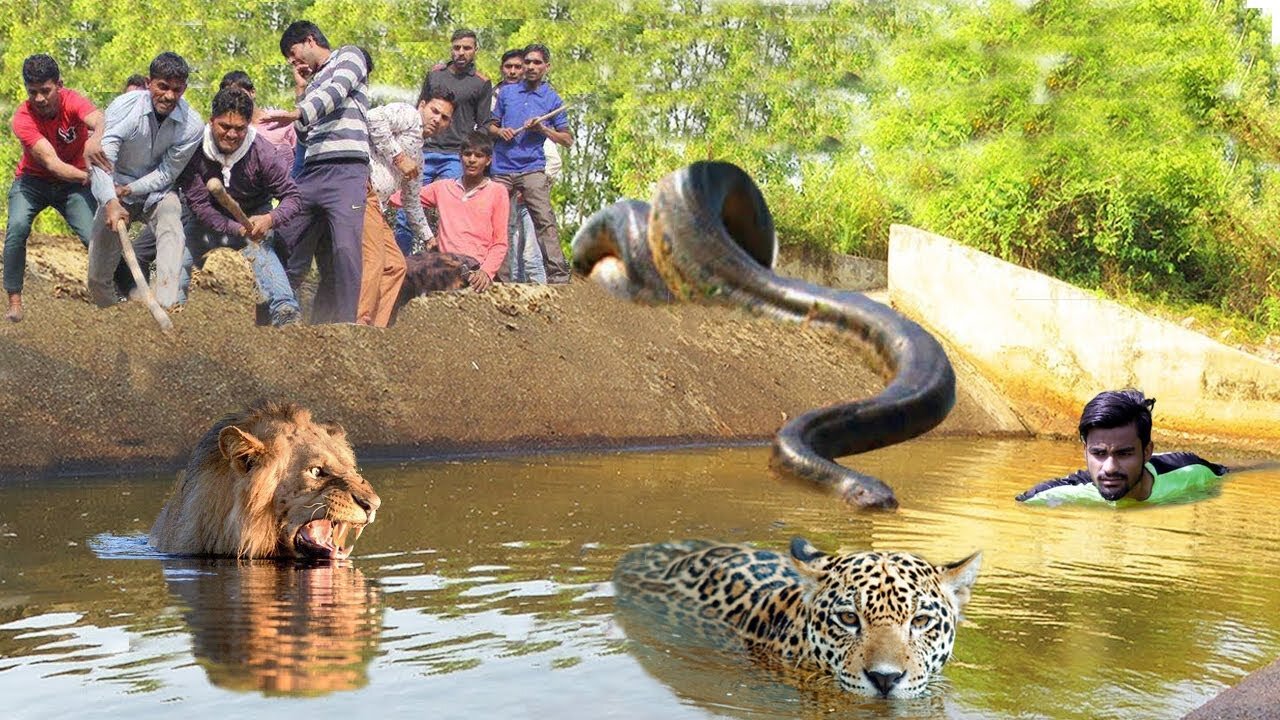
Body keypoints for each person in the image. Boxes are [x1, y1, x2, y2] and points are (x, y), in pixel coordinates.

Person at [261, 21, 370, 324]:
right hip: (311, 172)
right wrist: (301, 92)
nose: (294, 63)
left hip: (347, 171)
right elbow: (304, 133)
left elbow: (336, 91)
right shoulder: (312, 85)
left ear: (310, 40)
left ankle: (347, 326)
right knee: (281, 237)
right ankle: (272, 316)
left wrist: (300, 109)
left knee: (346, 250)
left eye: (294, 55)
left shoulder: (349, 56)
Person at [84, 51, 202, 310]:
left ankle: (167, 304)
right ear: (149, 83)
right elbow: (102, 163)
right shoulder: (124, 107)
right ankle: (116, 320)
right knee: (97, 278)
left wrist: (131, 189)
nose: (169, 96)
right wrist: (112, 201)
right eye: (162, 87)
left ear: (184, 89)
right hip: (112, 190)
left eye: (176, 89)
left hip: (157, 193)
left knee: (172, 225)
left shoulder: (192, 125)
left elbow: (167, 173)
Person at [176, 87, 303, 326]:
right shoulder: (193, 151)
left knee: (264, 258)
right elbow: (201, 206)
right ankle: (171, 316)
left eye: (239, 129)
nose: (232, 135)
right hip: (206, 224)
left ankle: (286, 317)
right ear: (212, 121)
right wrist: (235, 228)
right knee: (177, 267)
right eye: (224, 126)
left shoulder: (263, 152)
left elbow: (293, 198)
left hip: (254, 223)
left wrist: (269, 220)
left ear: (248, 126)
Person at [4, 55, 103, 323]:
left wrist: (97, 140)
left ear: (59, 85)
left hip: (72, 187)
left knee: (94, 235)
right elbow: (52, 163)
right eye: (32, 92)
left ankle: (113, 289)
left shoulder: (73, 101)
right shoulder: (23, 118)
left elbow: (99, 119)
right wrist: (89, 177)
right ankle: (14, 298)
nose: (39, 99)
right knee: (17, 228)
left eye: (45, 91)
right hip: (33, 182)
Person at [1016, 389, 1228, 506]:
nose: (1109, 468)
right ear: (1085, 451)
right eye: (1098, 453)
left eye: (1124, 454)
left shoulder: (1190, 471)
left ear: (1147, 451)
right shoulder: (1061, 491)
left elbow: (1231, 477)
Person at [359, 89, 455, 327]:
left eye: (444, 118)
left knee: (396, 265)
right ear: (422, 104)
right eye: (434, 111)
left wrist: (428, 237)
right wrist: (399, 157)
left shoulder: (420, 158)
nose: (437, 119)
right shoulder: (408, 115)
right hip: (361, 189)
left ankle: (376, 329)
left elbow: (411, 202)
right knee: (375, 260)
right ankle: (359, 323)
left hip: (377, 207)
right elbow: (372, 118)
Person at [394, 28, 492, 254]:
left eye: (467, 48)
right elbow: (419, 109)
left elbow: (485, 124)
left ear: (475, 50)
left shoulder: (481, 83)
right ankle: (399, 265)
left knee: (451, 213)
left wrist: (473, 152)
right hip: (423, 152)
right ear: (451, 48)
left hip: (455, 156)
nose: (461, 52)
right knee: (405, 210)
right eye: (457, 47)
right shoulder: (435, 74)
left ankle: (448, 267)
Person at [487, 43, 572, 284]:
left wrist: (543, 128)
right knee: (499, 225)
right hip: (502, 169)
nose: (531, 67)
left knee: (544, 221)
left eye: (537, 62)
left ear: (547, 66)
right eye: (528, 62)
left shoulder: (552, 99)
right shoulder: (506, 93)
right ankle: (498, 280)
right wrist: (500, 131)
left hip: (533, 168)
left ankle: (558, 277)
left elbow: (567, 140)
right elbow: (491, 126)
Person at [400, 131, 508, 301]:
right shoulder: (443, 187)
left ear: (488, 160)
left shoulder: (497, 191)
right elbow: (403, 197)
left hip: (473, 266)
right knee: (401, 268)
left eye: (478, 156)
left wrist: (486, 271)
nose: (472, 160)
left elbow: (500, 242)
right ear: (460, 157)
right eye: (467, 154)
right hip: (442, 263)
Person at [217, 70, 296, 157]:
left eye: (239, 93)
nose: (235, 100)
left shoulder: (280, 119)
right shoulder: (231, 132)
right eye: (229, 96)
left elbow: (301, 152)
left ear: (253, 92)